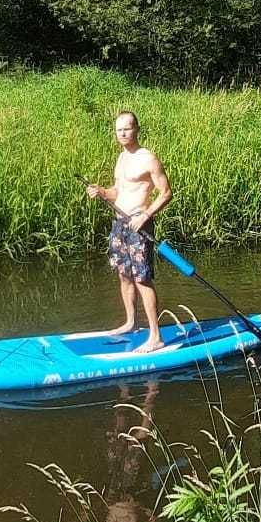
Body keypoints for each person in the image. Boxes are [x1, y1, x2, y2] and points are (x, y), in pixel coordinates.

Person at [86, 110, 172, 352]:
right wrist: (102, 191)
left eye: (127, 128)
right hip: (119, 224)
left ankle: (156, 336)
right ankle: (131, 322)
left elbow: (166, 193)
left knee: (142, 278)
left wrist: (145, 215)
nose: (122, 133)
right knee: (124, 275)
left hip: (139, 225)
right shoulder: (121, 158)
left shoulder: (148, 159)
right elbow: (118, 191)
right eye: (118, 130)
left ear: (137, 129)